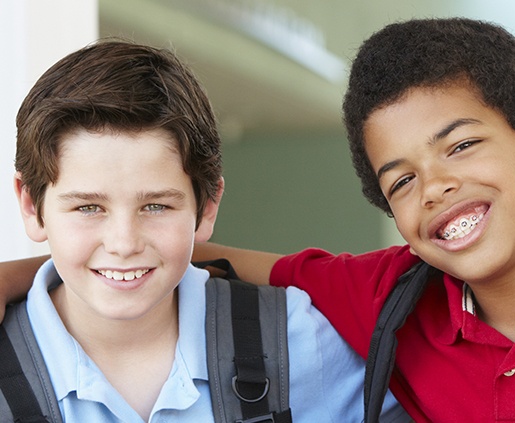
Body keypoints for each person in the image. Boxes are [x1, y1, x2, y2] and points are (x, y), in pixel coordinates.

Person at [1, 40, 407, 422]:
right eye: (88, 207)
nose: (124, 244)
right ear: (31, 206)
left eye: (156, 206)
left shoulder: (296, 339)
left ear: (208, 205)